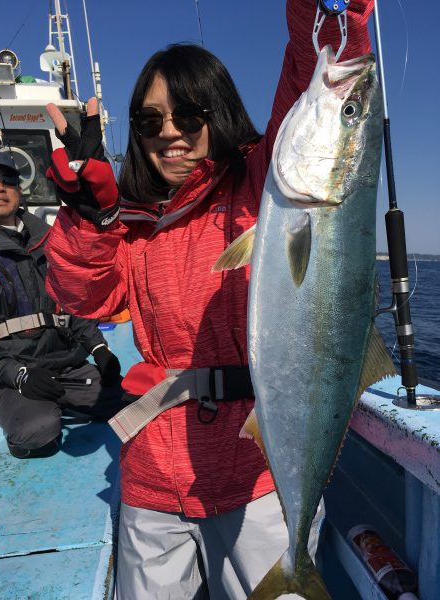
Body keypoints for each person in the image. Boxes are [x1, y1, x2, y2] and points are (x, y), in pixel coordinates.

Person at [44, 1, 373, 597]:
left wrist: (332, 15)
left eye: (188, 116)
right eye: (149, 123)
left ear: (216, 114)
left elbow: (323, 82)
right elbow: (83, 296)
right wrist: (87, 216)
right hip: (151, 481)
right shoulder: (132, 223)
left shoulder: (260, 188)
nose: (169, 133)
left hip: (257, 480)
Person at [0, 149, 126, 459]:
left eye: (8, 179)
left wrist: (99, 349)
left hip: (66, 364)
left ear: (19, 189)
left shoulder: (50, 238)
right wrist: (18, 375)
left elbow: (73, 304)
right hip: (10, 373)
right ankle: (20, 406)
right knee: (38, 432)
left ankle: (64, 400)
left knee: (130, 403)